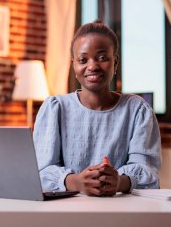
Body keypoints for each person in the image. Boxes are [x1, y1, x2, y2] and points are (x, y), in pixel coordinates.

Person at [33, 20, 161, 196]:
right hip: (66, 213)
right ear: (74, 65)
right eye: (83, 59)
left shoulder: (137, 110)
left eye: (102, 58)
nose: (92, 66)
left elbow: (147, 171)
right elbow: (40, 172)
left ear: (115, 63)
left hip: (123, 211)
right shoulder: (55, 108)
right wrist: (76, 182)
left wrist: (119, 182)